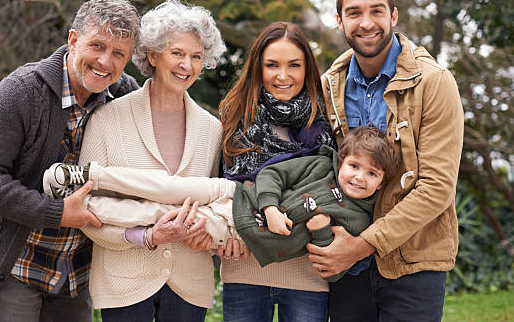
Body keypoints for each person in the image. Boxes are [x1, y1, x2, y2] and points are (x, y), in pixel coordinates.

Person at [0, 0, 140, 322]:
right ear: (73, 40)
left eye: (119, 53)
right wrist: (57, 213)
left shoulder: (125, 97)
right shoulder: (23, 91)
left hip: (73, 269)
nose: (106, 61)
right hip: (14, 263)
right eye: (97, 46)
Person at [306, 0, 464, 322]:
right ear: (340, 20)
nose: (367, 22)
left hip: (414, 263)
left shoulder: (434, 82)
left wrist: (362, 245)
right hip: (350, 270)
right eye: (354, 12)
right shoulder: (330, 85)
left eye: (377, 11)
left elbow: (436, 188)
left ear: (393, 17)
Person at [43, 125, 399, 282]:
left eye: (372, 175)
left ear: (382, 182)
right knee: (167, 186)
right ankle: (88, 175)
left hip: (237, 231)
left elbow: (333, 269)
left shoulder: (358, 221)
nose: (359, 178)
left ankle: (81, 204)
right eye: (354, 166)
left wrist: (320, 232)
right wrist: (272, 207)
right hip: (233, 193)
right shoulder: (321, 165)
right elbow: (271, 176)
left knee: (160, 214)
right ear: (342, 162)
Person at [74, 0, 227, 322]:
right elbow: (87, 209)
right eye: (177, 53)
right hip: (123, 277)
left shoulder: (212, 129)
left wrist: (210, 231)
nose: (187, 65)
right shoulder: (107, 119)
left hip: (190, 277)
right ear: (153, 54)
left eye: (196, 56)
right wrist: (146, 236)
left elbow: (222, 203)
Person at [219, 21, 335, 322]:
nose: (282, 75)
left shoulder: (326, 121)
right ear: (258, 67)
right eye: (272, 65)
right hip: (243, 267)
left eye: (294, 65)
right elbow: (223, 189)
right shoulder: (234, 116)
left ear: (307, 68)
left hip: (308, 275)